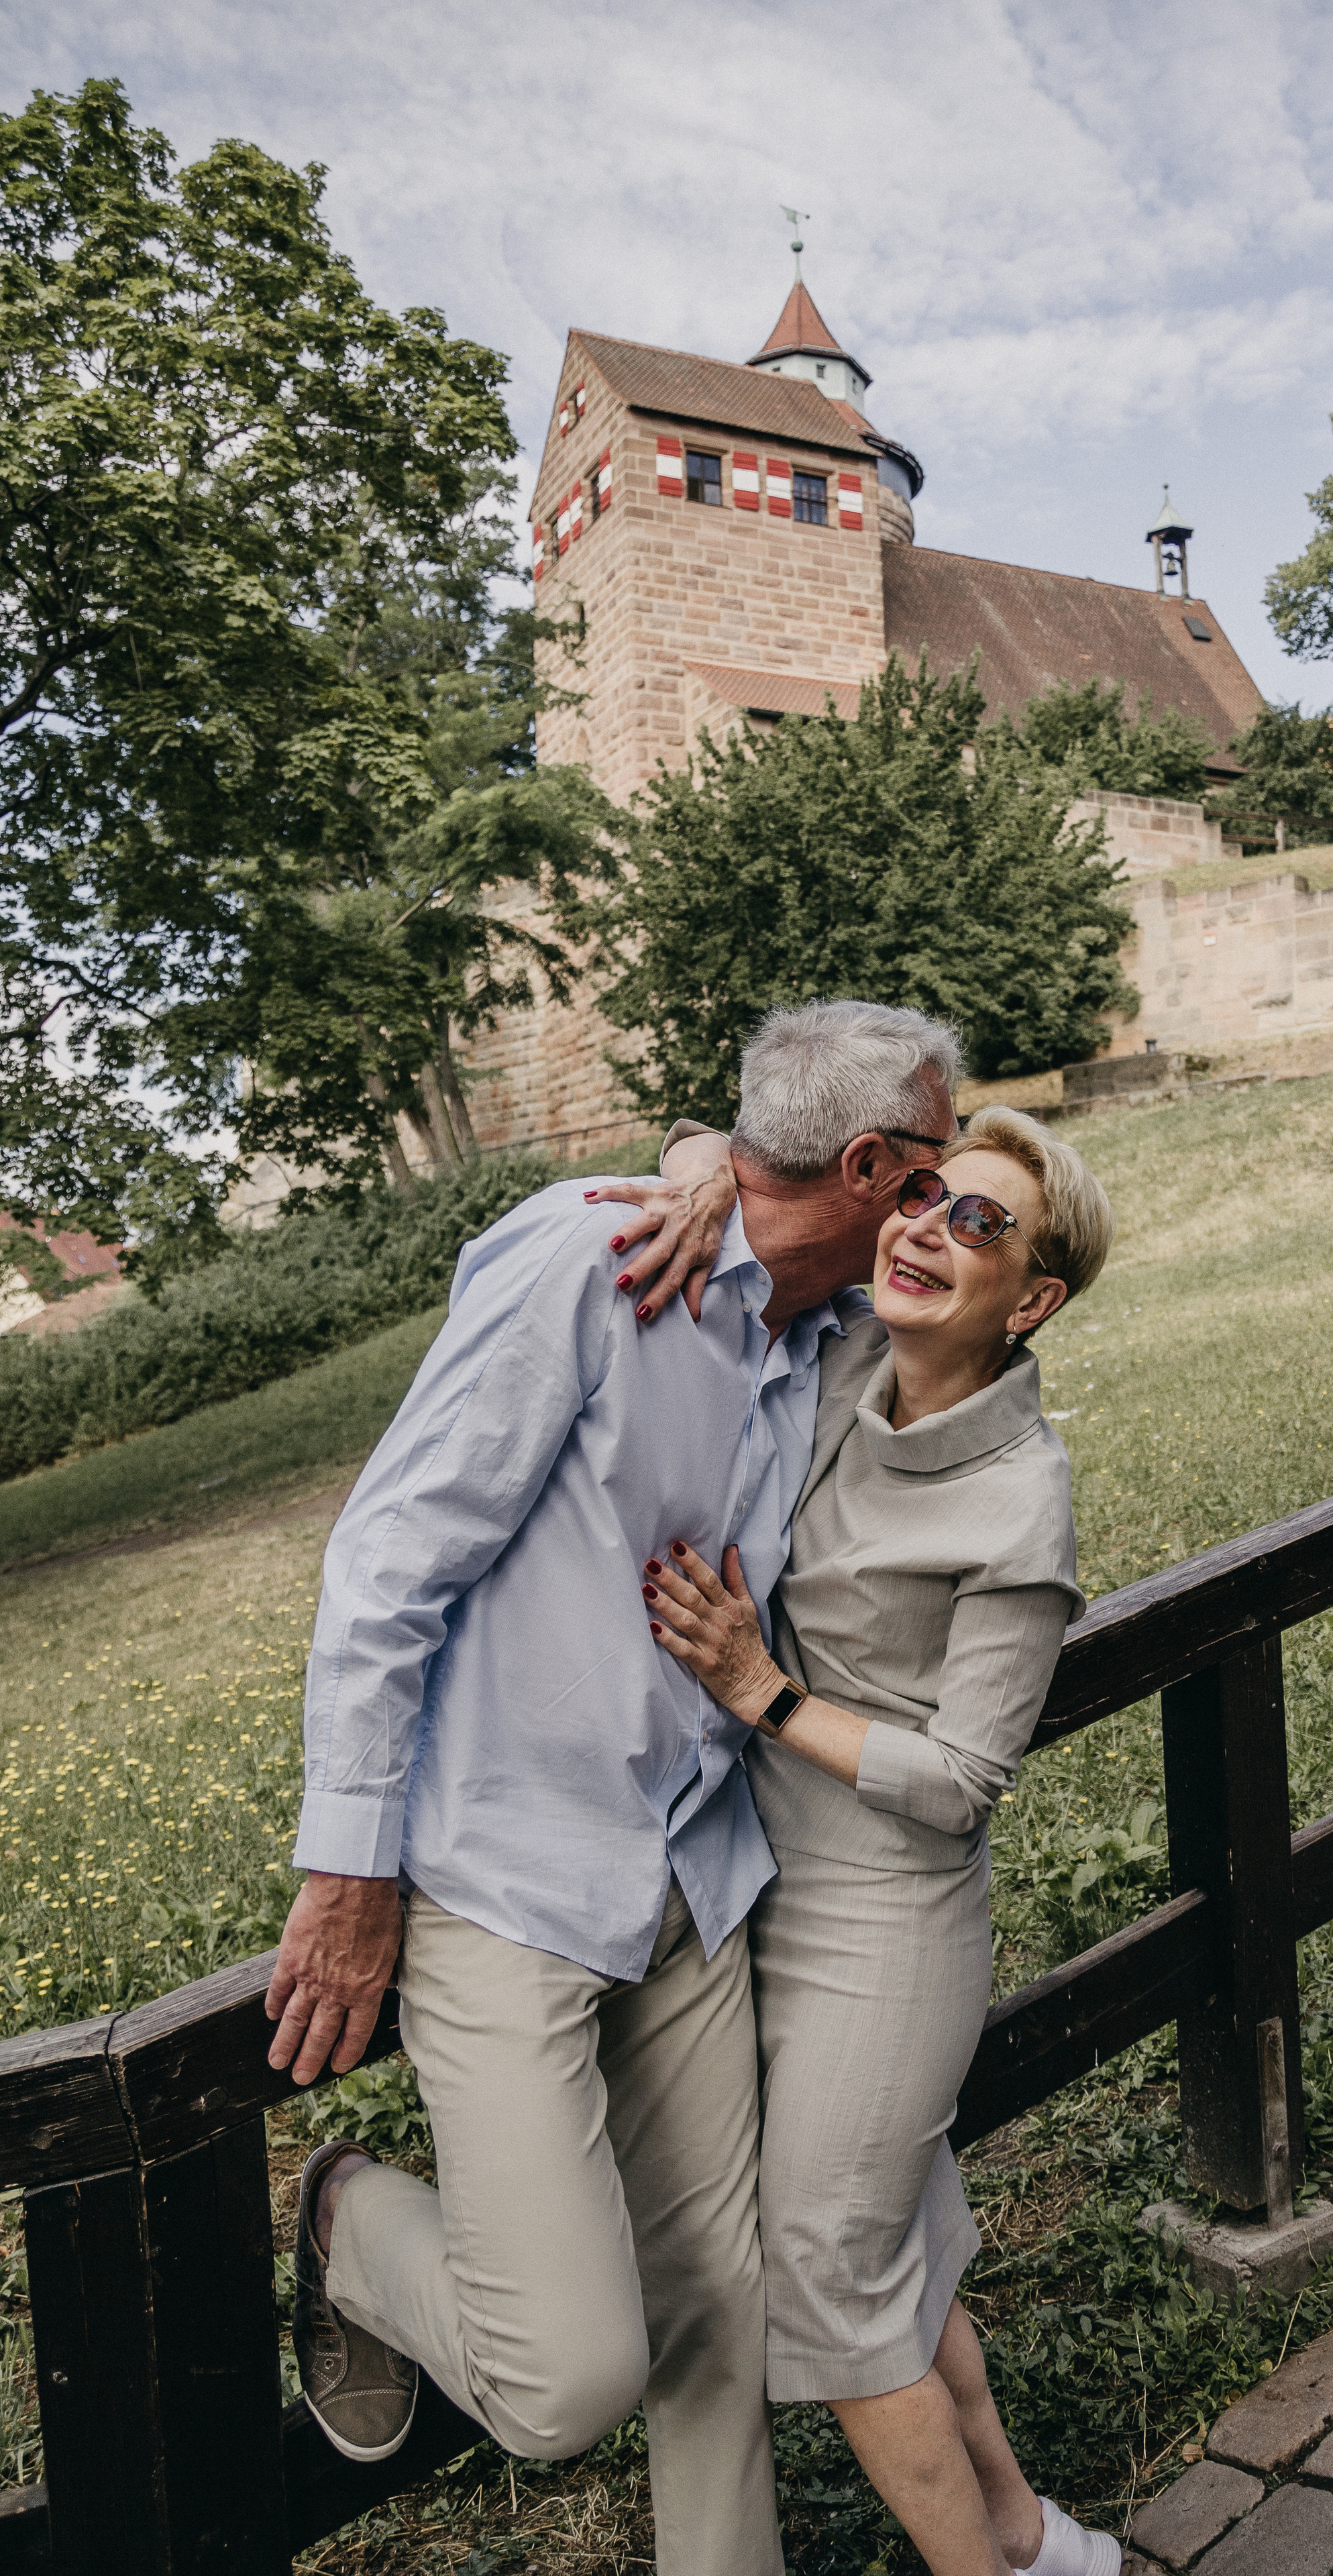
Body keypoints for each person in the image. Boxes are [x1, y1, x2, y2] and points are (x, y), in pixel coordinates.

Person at [264, 999, 961, 2576]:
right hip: (507, 1878)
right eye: (925, 1168)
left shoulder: (828, 1321)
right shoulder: (588, 1264)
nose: (942, 1195)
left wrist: (709, 1154)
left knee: (721, 2312)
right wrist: (348, 1873)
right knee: (565, 2378)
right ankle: (347, 2217)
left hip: (688, 1872)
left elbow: (997, 1271)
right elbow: (384, 1564)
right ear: (865, 1165)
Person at [640, 1107, 1122, 2576]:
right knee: (891, 2265)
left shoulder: (1017, 1499)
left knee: (833, 2284)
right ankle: (1036, 2545)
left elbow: (962, 1775)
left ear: (1028, 1302)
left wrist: (758, 1689)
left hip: (885, 1930)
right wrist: (691, 1173)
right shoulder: (852, 1346)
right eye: (922, 1195)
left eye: (978, 1223)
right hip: (764, 1895)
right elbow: (707, 1139)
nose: (924, 1227)